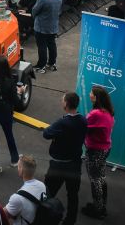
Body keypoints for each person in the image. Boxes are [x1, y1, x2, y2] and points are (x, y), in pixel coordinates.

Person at [42, 92, 85, 225]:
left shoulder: (62, 122)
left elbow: (46, 133)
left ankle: (45, 218)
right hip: (75, 164)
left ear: (66, 104)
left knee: (48, 193)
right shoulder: (83, 120)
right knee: (73, 195)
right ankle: (70, 221)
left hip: (58, 165)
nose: (61, 102)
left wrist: (56, 136)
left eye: (62, 100)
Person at [81, 86, 115, 219]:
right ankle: (101, 205)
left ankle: (98, 209)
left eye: (91, 93)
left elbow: (84, 126)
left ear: (96, 97)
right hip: (105, 149)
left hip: (95, 150)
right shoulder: (108, 112)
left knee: (95, 180)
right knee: (101, 177)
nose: (89, 95)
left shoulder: (95, 114)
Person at [5, 155, 49, 225]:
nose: (17, 168)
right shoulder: (42, 185)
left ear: (21, 170)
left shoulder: (17, 198)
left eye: (18, 166)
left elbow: (4, 215)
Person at [30, 0, 62, 72]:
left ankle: (41, 66)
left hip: (41, 27)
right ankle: (52, 63)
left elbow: (34, 11)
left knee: (42, 46)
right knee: (52, 44)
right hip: (53, 25)